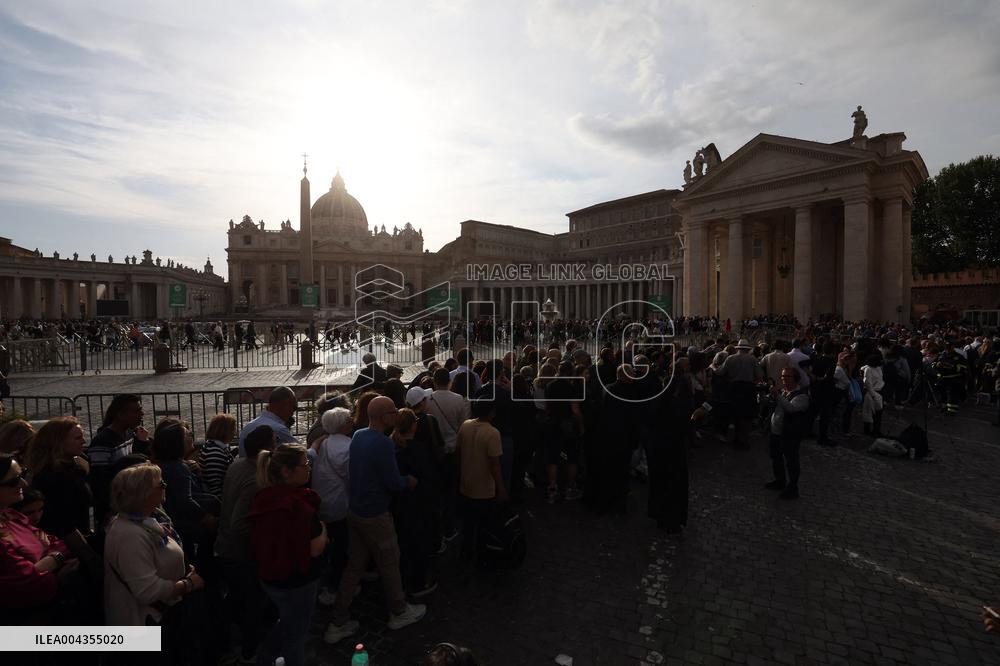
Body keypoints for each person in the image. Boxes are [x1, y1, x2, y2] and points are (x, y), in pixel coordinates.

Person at [324, 396, 425, 645]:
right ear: (384, 417)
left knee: (355, 565)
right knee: (390, 561)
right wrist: (409, 481)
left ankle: (338, 620)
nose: (395, 415)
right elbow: (393, 482)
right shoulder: (382, 444)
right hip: (375, 513)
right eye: (392, 412)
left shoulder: (359, 435)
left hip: (355, 510)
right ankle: (399, 611)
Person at [104, 463, 206, 661]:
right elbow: (147, 591)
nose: (165, 486)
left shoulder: (142, 520)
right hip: (146, 626)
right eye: (161, 484)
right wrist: (188, 584)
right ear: (143, 494)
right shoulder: (129, 535)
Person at [249, 444, 326, 666]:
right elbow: (315, 548)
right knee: (296, 634)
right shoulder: (299, 505)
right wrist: (323, 530)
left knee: (289, 622)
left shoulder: (264, 497)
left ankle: (264, 658)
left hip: (271, 576)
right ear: (286, 471)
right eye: (305, 465)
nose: (309, 468)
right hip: (298, 580)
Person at [215, 425, 275, 664]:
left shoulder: (238, 464)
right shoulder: (254, 479)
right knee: (251, 603)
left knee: (237, 600)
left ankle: (225, 641)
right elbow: (240, 524)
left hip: (226, 547)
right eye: (274, 441)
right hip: (241, 554)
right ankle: (250, 650)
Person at [0, 456, 79, 623]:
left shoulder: (11, 515)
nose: (23, 483)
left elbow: (58, 543)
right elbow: (29, 586)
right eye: (14, 480)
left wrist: (47, 562)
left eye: (23, 474)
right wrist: (57, 567)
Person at [26, 418, 97, 564]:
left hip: (81, 537)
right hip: (66, 550)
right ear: (58, 442)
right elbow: (63, 524)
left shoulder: (75, 466)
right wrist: (90, 557)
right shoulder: (51, 476)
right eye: (77, 438)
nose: (84, 441)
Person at [152, 419, 217, 560]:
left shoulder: (161, 463)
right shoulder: (179, 468)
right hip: (185, 523)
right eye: (188, 434)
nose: (191, 436)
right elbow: (185, 500)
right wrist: (205, 517)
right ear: (178, 442)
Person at [455, 399, 507, 563]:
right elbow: (495, 465)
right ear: (491, 412)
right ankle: (482, 557)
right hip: (485, 489)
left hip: (466, 485)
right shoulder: (493, 433)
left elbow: (458, 451)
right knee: (484, 526)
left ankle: (465, 555)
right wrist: (501, 488)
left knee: (468, 526)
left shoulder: (466, 425)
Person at [312, 408, 353, 605]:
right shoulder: (347, 446)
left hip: (323, 500)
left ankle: (326, 582)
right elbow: (350, 475)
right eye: (348, 419)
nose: (352, 420)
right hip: (339, 503)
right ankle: (334, 587)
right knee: (341, 548)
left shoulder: (324, 443)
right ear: (342, 425)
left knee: (330, 545)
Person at [765, 367, 810, 500]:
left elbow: (791, 409)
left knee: (791, 461)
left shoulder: (801, 396)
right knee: (776, 458)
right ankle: (780, 481)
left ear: (795, 379)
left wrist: (777, 396)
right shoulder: (784, 392)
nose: (784, 379)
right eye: (783, 377)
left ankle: (792, 487)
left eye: (787, 377)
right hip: (776, 431)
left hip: (790, 433)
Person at [720, 339, 764, 448]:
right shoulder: (752, 359)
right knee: (746, 415)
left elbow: (721, 372)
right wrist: (753, 383)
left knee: (735, 413)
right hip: (748, 388)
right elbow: (760, 376)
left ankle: (735, 437)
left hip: (734, 387)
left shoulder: (730, 358)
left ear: (738, 348)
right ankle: (743, 440)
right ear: (747, 349)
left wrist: (713, 366)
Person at [238, 387, 298, 457]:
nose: (293, 413)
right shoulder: (279, 429)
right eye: (294, 407)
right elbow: (301, 455)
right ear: (285, 404)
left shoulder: (247, 426)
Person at [198, 413, 237, 498]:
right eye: (232, 429)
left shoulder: (210, 446)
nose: (235, 433)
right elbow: (215, 485)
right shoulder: (215, 452)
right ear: (224, 431)